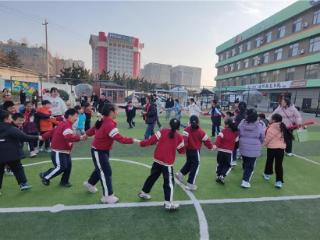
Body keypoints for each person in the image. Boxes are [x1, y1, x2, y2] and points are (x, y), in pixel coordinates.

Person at [84, 103, 135, 204]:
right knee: (106, 171)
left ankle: (90, 184)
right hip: (98, 151)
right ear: (111, 112)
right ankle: (107, 196)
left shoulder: (105, 121)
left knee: (101, 169)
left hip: (103, 150)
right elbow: (120, 139)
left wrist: (86, 134)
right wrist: (133, 140)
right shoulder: (108, 123)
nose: (117, 112)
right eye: (116, 110)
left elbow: (92, 130)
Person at [138, 118, 185, 210]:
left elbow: (150, 141)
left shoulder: (162, 131)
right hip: (167, 164)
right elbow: (182, 151)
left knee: (152, 177)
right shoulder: (179, 137)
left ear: (169, 124)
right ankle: (168, 203)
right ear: (179, 127)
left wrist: (141, 143)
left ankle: (143, 193)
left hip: (157, 160)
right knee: (169, 183)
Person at [39, 108, 87, 187]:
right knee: (61, 167)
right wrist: (80, 137)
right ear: (70, 116)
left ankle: (64, 181)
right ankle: (46, 177)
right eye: (75, 116)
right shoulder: (66, 125)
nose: (76, 118)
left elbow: (53, 131)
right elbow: (68, 137)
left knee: (68, 167)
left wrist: (43, 137)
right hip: (59, 151)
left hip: (63, 151)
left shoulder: (63, 123)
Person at [0, 110, 41, 193]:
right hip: (11, 154)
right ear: (6, 119)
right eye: (10, 117)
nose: (11, 118)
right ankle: (23, 184)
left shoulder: (10, 127)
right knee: (18, 168)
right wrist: (37, 137)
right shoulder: (10, 128)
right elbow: (24, 137)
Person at [175, 115, 213, 191]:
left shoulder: (186, 130)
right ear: (198, 122)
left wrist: (183, 149)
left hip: (188, 151)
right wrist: (211, 147)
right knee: (195, 166)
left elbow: (184, 141)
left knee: (189, 163)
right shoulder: (201, 131)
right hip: (195, 151)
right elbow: (207, 141)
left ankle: (180, 174)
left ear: (190, 121)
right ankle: (190, 184)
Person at [263, 113, 294, 189]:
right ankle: (279, 181)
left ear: (274, 120)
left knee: (269, 161)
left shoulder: (271, 127)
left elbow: (267, 138)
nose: (269, 119)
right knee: (279, 165)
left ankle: (267, 174)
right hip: (281, 149)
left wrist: (264, 144)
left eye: (271, 118)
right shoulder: (283, 126)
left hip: (272, 148)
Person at [238, 109, 264, 188]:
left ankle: (245, 173)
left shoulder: (242, 123)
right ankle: (245, 181)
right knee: (250, 165)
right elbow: (262, 136)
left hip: (243, 145)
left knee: (246, 161)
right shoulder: (259, 125)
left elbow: (239, 132)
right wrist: (261, 142)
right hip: (254, 147)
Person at [213, 118, 239, 184]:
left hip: (220, 152)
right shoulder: (235, 132)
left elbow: (218, 140)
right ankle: (222, 176)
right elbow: (236, 141)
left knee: (220, 164)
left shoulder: (222, 131)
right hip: (228, 152)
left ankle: (218, 175)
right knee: (228, 165)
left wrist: (215, 146)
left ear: (227, 125)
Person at [231, 101, 247, 166]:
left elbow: (236, 126)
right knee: (244, 148)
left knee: (235, 147)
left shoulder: (238, 116)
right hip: (246, 134)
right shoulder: (247, 115)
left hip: (238, 134)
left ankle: (234, 160)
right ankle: (243, 160)